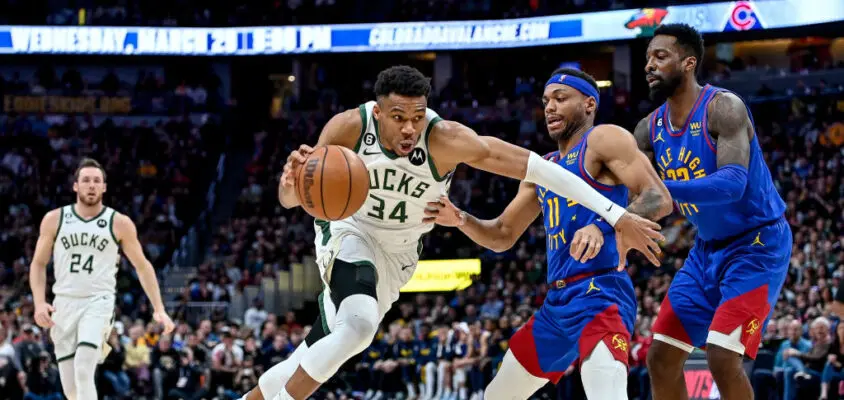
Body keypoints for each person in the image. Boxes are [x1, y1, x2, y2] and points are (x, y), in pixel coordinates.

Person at [241, 65, 665, 400]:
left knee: (327, 343)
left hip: (401, 257)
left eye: (416, 117)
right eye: (397, 118)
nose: (409, 129)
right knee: (357, 328)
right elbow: (299, 197)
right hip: (352, 234)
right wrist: (288, 184)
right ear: (377, 111)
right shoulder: (349, 128)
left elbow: (538, 170)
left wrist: (611, 215)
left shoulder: (447, 138)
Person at [426, 68, 672, 399]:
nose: (550, 107)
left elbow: (659, 198)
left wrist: (603, 226)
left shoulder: (603, 139)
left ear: (588, 104)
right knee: (496, 396)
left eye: (560, 98)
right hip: (557, 303)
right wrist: (460, 218)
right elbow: (502, 235)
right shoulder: (543, 167)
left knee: (606, 391)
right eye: (545, 101)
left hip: (601, 292)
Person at [636, 24, 792, 400]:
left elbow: (731, 184)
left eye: (660, 57)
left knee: (722, 356)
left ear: (689, 63)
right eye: (647, 59)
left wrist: (662, 191)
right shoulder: (647, 129)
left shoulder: (723, 107)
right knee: (659, 357)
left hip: (758, 245)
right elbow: (629, 190)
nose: (649, 66)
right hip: (705, 250)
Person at [29, 158, 176, 400]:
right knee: (72, 390)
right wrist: (38, 302)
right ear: (75, 186)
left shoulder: (119, 223)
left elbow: (143, 265)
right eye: (86, 180)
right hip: (63, 304)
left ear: (104, 187)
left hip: (98, 302)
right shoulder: (55, 219)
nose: (91, 185)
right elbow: (38, 263)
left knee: (84, 368)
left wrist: (158, 308)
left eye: (97, 181)